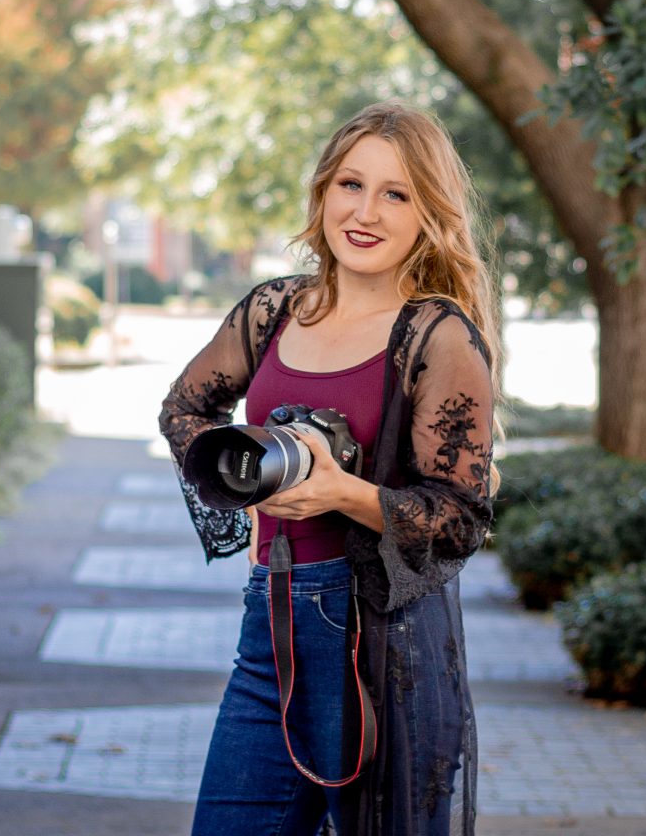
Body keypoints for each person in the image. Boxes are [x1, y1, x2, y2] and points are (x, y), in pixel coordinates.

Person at [159, 100, 502, 836]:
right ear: (323, 192)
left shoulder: (438, 337)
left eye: (395, 193)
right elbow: (184, 410)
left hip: (381, 649)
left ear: (427, 214)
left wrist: (343, 492)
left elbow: (459, 520)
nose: (365, 212)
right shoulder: (274, 310)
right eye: (351, 184)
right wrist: (245, 480)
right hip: (271, 628)